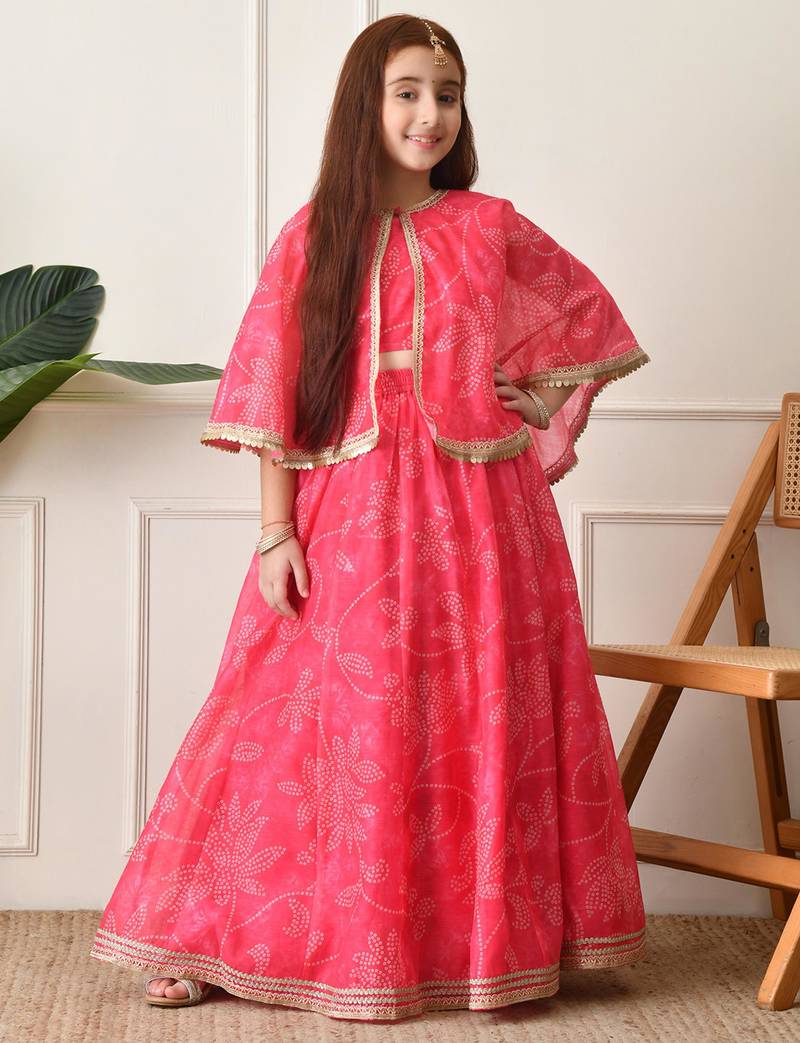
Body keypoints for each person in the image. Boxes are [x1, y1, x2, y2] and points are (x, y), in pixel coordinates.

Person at [89, 14, 651, 1022]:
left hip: (486, 510)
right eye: (407, 92)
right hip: (351, 508)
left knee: (479, 713)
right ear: (366, 102)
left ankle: (474, 949)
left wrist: (534, 399)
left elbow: (586, 324)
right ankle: (218, 935)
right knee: (302, 721)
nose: (430, 114)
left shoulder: (490, 225)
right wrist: (276, 532)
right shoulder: (315, 236)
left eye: (447, 93)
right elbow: (276, 387)